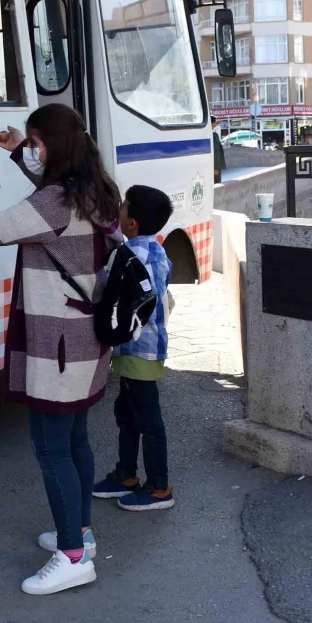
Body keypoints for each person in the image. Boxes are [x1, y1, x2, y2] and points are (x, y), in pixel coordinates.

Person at [0, 104, 120, 596]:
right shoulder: (94, 188)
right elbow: (44, 197)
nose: (32, 150)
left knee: (51, 447)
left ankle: (74, 557)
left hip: (60, 345)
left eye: (36, 143)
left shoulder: (58, 201)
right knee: (74, 440)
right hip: (85, 341)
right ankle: (80, 534)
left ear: (54, 147)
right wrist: (19, 151)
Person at [92, 185, 175, 511]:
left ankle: (159, 488)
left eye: (124, 207)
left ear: (132, 223)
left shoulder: (129, 257)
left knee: (148, 420)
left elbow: (112, 293)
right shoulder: (157, 252)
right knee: (126, 413)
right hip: (143, 348)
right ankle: (125, 475)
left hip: (138, 349)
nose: (119, 210)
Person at [211, 117, 226, 184]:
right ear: (212, 123)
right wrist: (216, 168)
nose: (216, 125)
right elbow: (217, 152)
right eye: (215, 123)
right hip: (215, 168)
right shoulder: (214, 136)